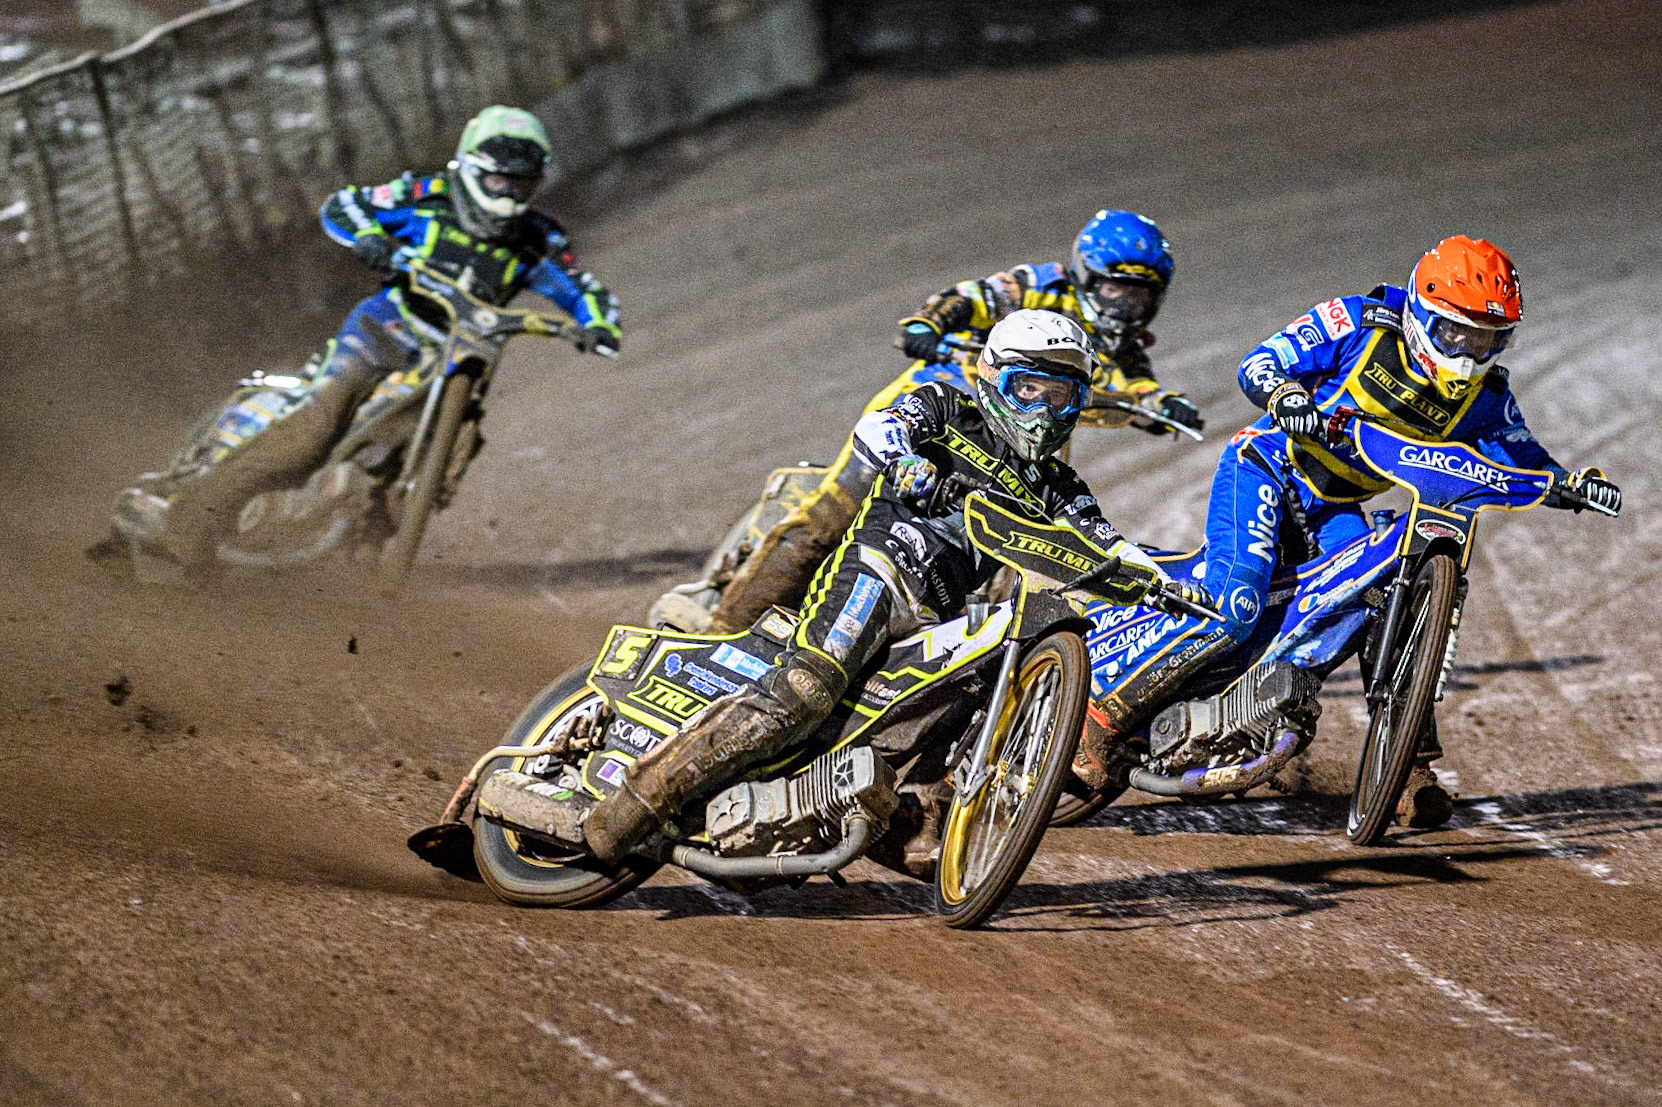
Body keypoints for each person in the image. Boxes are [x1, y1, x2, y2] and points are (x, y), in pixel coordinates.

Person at [496, 310, 1201, 865]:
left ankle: (884, 817)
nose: (1044, 410)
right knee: (803, 691)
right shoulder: (947, 411)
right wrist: (906, 463)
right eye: (1030, 389)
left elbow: (1104, 542)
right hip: (880, 571)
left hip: (941, 619)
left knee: (954, 707)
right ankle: (620, 817)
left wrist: (1163, 585)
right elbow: (882, 424)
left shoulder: (1062, 486)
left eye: (1062, 394)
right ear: (993, 378)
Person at [1071, 234, 1622, 827]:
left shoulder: (1488, 397)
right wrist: (1285, 393)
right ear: (1418, 312)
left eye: (1485, 339)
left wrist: (1571, 483)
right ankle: (1096, 728)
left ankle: (1407, 769)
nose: (1466, 354)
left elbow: (1523, 454)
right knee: (1235, 606)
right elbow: (1259, 361)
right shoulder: (1357, 320)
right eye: (1454, 333)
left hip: (1335, 509)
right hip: (1269, 471)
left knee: (1376, 600)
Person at [109, 105, 621, 567]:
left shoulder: (540, 239)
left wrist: (597, 325)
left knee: (458, 442)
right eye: (498, 183)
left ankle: (362, 544)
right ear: (469, 169)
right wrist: (372, 238)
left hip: (461, 354)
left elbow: (582, 288)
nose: (509, 197)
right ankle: (186, 516)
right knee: (318, 425)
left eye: (521, 186)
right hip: (387, 327)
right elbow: (344, 205)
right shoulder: (427, 196)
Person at [654, 208, 1201, 634]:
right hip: (933, 410)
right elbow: (969, 298)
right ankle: (726, 627)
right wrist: (928, 322)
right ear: (1087, 274)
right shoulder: (1042, 287)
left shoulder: (1122, 346)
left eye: (1140, 296)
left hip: (1015, 445)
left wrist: (1164, 405)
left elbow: (1137, 383)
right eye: (1115, 289)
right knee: (832, 512)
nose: (1126, 307)